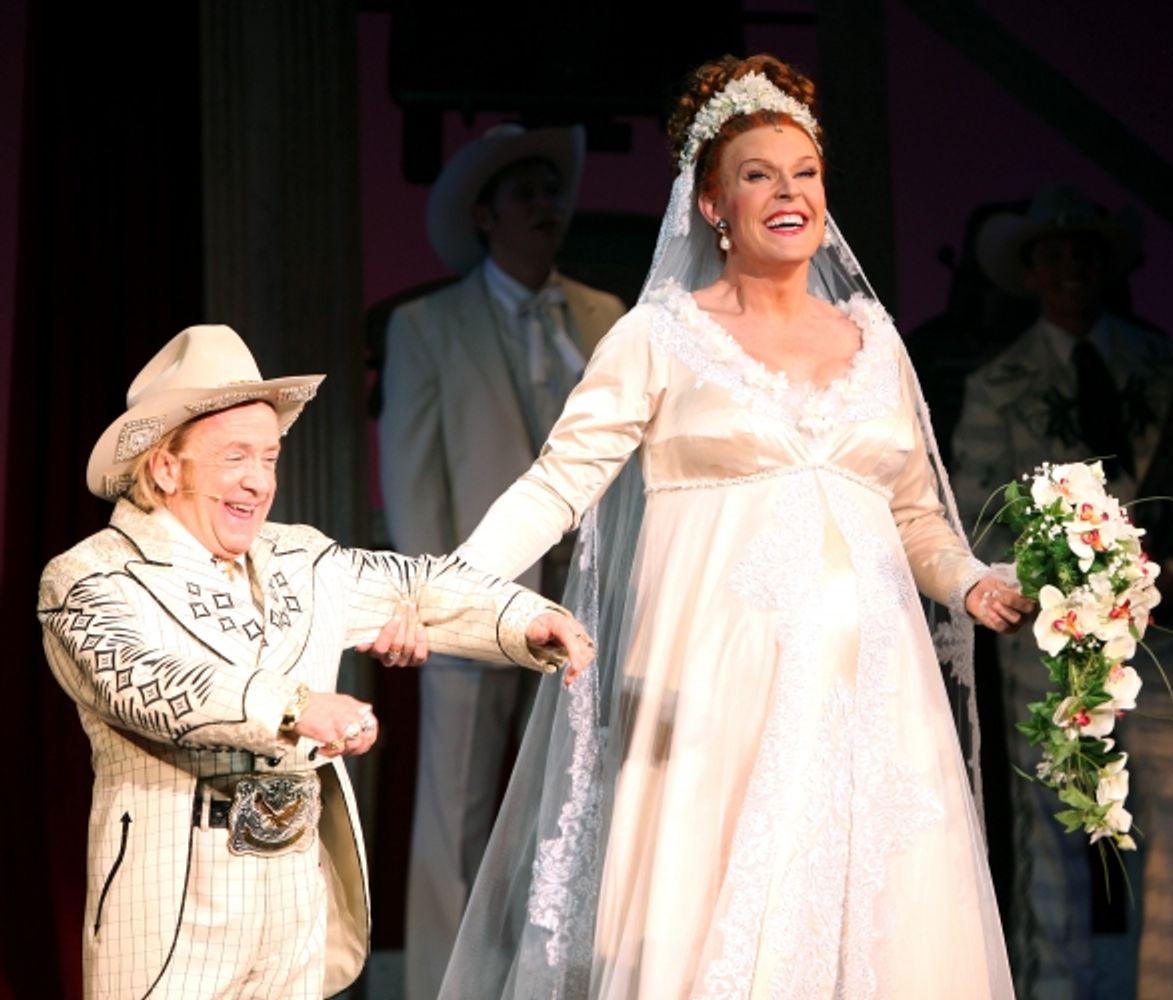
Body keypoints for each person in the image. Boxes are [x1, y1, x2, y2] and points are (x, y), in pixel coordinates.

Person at [433, 54, 1032, 999]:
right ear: (711, 205)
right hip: (716, 688)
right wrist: (447, 591)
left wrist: (972, 583)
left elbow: (917, 514)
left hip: (873, 692)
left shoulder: (876, 344)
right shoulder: (658, 336)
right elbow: (558, 486)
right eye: (758, 175)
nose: (788, 193)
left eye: (805, 173)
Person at [38, 324, 594, 1000]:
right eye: (236, 457)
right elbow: (149, 684)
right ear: (165, 466)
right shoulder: (90, 577)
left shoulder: (299, 556)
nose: (258, 482)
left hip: (295, 896)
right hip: (177, 905)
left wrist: (525, 618)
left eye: (269, 458)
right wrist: (297, 707)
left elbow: (418, 584)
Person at [376, 123, 624, 998]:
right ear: (485, 215)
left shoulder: (605, 318)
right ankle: (448, 983)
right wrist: (436, 605)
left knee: (572, 796)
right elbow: (413, 475)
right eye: (524, 195)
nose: (544, 209)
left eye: (552, 193)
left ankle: (560, 975)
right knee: (459, 806)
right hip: (477, 599)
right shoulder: (428, 324)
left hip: (587, 602)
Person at [952, 183, 1173, 999]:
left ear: (1105, 264)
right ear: (1028, 273)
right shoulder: (999, 384)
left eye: (1081, 253)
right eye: (1050, 256)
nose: (1067, 270)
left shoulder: (1167, 366)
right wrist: (1052, 574)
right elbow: (975, 517)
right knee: (1055, 841)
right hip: (1050, 644)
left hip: (1160, 636)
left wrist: (1164, 574)